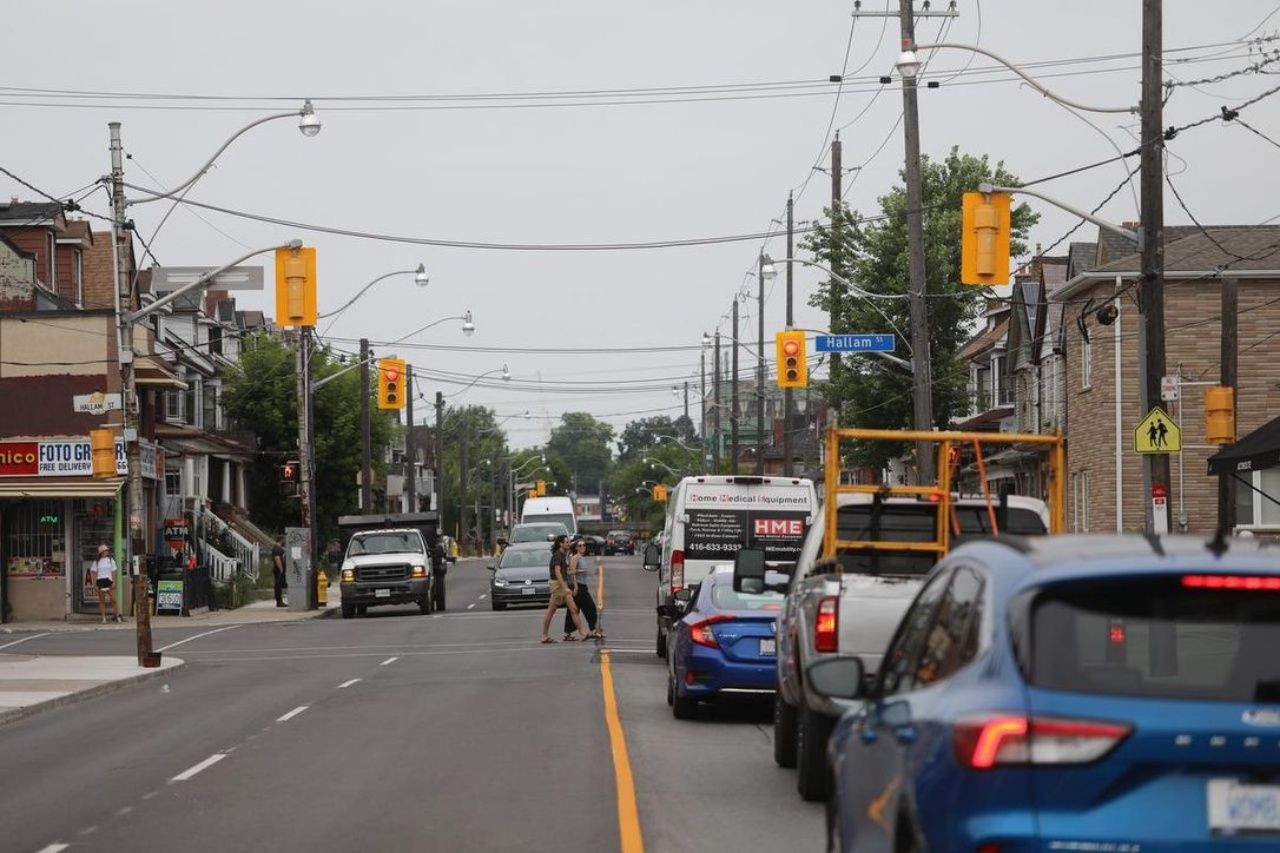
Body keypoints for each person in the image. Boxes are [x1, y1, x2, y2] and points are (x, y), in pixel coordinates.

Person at [540, 534, 589, 643]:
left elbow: (565, 572)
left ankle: (583, 633)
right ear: (561, 544)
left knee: (573, 609)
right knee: (552, 610)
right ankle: (544, 635)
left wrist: (572, 584)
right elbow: (557, 572)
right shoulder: (558, 555)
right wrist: (565, 587)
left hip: (563, 584)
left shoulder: (564, 555)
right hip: (558, 585)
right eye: (566, 542)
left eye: (568, 542)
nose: (568, 544)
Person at [563, 537, 604, 640]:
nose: (582, 547)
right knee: (590, 608)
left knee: (573, 610)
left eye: (584, 545)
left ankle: (567, 633)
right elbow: (571, 572)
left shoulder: (581, 557)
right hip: (579, 587)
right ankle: (593, 630)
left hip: (582, 586)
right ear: (576, 548)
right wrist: (576, 587)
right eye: (580, 545)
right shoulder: (575, 557)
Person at [90, 544, 123, 624]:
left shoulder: (111, 560)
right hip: (100, 581)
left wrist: (114, 581)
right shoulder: (96, 562)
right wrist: (94, 584)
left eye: (107, 550)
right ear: (101, 552)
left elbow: (114, 571)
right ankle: (103, 617)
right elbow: (93, 573)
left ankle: (117, 616)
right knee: (102, 601)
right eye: (105, 551)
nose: (106, 552)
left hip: (109, 581)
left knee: (114, 600)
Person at [271, 537, 287, 607]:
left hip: (278, 569)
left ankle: (279, 601)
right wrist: (281, 569)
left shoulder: (278, 548)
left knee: (279, 585)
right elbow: (277, 559)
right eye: (284, 540)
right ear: (281, 540)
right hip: (278, 569)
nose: (285, 542)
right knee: (278, 585)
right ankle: (279, 601)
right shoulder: (277, 549)